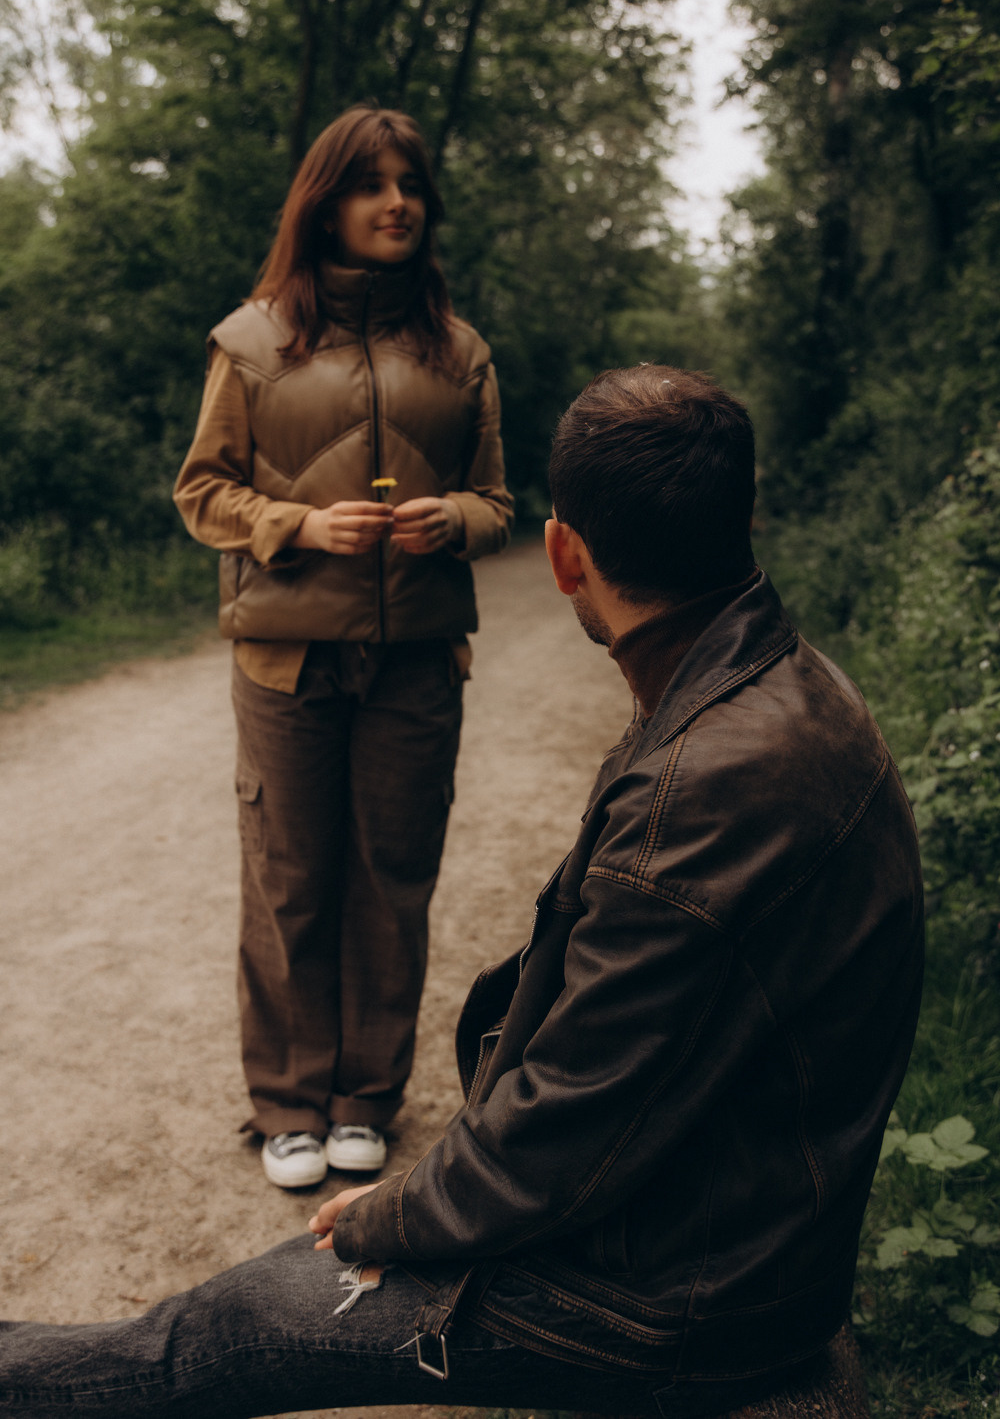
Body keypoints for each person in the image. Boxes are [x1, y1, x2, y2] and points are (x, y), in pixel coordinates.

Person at [0, 366, 923, 1419]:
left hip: (676, 1301)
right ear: (744, 517)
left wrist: (387, 1218)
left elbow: (560, 1137)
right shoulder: (785, 680)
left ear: (564, 555)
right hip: (729, 1228)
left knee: (216, 1333)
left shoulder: (701, 789)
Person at [172, 106, 513, 1187]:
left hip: (416, 660)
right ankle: (286, 1107)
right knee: (290, 882)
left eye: (408, 184)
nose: (395, 203)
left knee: (393, 879)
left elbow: (501, 499)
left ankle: (366, 1098)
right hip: (286, 662)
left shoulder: (458, 352)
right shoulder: (252, 341)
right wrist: (296, 525)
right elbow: (202, 493)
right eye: (370, 184)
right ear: (325, 201)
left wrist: (453, 519)